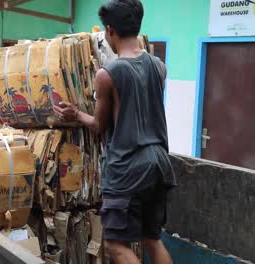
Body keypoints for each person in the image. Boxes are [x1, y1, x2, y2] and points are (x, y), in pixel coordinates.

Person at [54, 0, 177, 263]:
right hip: (159, 164)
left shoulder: (108, 73)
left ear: (110, 30)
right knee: (152, 239)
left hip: (128, 168)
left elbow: (99, 126)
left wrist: (75, 115)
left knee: (115, 245)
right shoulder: (159, 67)